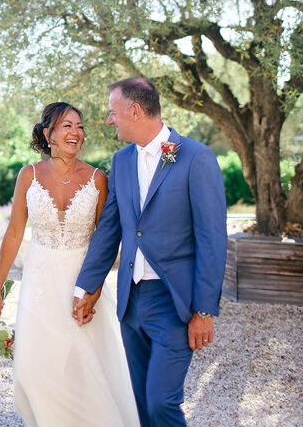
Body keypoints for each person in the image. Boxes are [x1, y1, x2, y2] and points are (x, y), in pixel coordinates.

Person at [73, 78, 228, 427]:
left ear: (135, 111)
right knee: (141, 402)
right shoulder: (122, 161)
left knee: (161, 403)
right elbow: (110, 229)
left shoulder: (195, 157)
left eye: (113, 113)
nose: (109, 120)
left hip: (174, 302)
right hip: (132, 302)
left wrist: (204, 309)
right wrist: (86, 287)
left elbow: (212, 238)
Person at [0, 102, 140, 427]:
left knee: (84, 369)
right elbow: (14, 234)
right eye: (67, 125)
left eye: (80, 126)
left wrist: (93, 292)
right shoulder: (28, 175)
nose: (75, 132)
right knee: (35, 368)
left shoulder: (99, 179)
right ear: (49, 134)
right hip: (39, 284)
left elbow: (107, 241)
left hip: (80, 283)